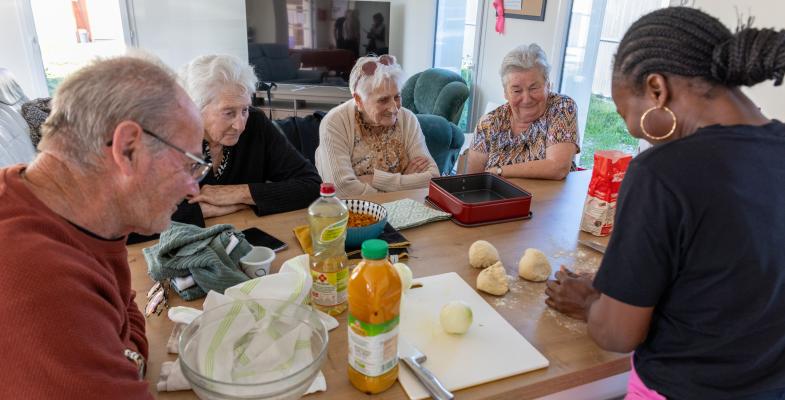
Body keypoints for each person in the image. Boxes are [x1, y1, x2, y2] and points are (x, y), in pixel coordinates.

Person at [544, 7, 785, 400]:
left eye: (627, 114)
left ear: (657, 89)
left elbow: (617, 334)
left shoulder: (661, 173)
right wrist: (621, 288)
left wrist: (592, 302)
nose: (633, 130)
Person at [0, 56, 205, 398]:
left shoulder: (86, 221)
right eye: (189, 164)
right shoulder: (39, 278)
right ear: (127, 148)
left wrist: (122, 356)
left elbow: (124, 318)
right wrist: (123, 356)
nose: (193, 188)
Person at [175, 54, 321, 225]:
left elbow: (312, 186)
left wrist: (239, 194)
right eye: (229, 113)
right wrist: (201, 212)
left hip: (248, 236)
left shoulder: (255, 124)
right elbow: (137, 223)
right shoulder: (168, 139)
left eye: (244, 110)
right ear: (195, 109)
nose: (240, 126)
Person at [315, 54, 439, 197]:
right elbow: (342, 189)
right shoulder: (336, 122)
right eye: (383, 100)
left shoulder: (407, 118)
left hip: (405, 208)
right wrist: (405, 182)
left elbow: (433, 178)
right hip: (355, 214)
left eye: (397, 97)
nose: (394, 108)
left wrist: (375, 179)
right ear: (359, 99)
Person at [465, 44, 579, 180]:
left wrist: (499, 171)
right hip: (498, 200)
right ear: (506, 93)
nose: (526, 99)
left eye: (534, 88)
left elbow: (558, 167)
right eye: (517, 90)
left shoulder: (561, 107)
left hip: (551, 200)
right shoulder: (489, 124)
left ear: (548, 85)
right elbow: (471, 182)